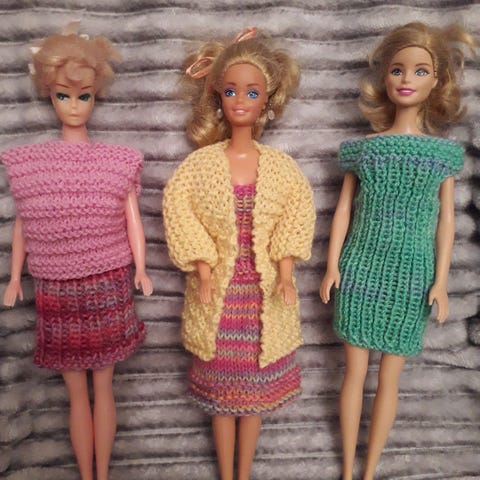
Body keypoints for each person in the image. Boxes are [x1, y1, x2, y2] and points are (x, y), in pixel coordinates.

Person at [319, 22, 478, 480]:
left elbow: (447, 222)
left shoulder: (441, 156)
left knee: (390, 377)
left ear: (436, 80)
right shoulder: (364, 150)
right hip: (359, 268)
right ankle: (347, 470)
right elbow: (343, 210)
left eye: (420, 70)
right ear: (384, 78)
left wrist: (440, 282)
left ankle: (370, 470)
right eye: (397, 69)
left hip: (411, 277)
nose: (407, 79)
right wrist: (331, 266)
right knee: (353, 374)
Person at [1, 22, 152, 480]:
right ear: (49, 95)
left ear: (95, 95)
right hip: (55, 290)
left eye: (83, 95)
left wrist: (141, 268)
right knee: (74, 393)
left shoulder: (117, 160)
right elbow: (26, 221)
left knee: (103, 387)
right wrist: (14, 276)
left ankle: (101, 473)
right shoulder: (30, 164)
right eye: (62, 95)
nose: (73, 105)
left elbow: (132, 219)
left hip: (108, 284)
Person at [163, 27, 315, 480]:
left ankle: (242, 473)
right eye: (231, 91)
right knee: (221, 393)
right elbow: (180, 209)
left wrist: (284, 272)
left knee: (254, 396)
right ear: (217, 97)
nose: (240, 101)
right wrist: (204, 266)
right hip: (218, 296)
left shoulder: (282, 169)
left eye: (251, 92)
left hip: (264, 294)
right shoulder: (200, 165)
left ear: (268, 99)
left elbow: (295, 217)